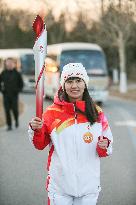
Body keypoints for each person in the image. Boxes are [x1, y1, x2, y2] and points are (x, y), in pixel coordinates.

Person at [28, 63, 113, 205]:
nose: (74, 86)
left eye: (78, 81)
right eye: (69, 81)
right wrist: (36, 129)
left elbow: (106, 148)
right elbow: (40, 144)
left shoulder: (97, 113)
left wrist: (104, 145)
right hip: (60, 186)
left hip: (88, 186)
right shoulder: (52, 112)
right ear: (63, 85)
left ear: (85, 84)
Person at [0, 58, 24, 131]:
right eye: (8, 63)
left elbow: (21, 84)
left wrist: (18, 90)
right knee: (7, 110)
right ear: (6, 64)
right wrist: (2, 90)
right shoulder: (3, 73)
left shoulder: (17, 73)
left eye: (11, 63)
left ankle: (16, 120)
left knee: (14, 109)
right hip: (6, 95)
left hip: (14, 95)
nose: (9, 64)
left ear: (13, 64)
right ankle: (9, 125)